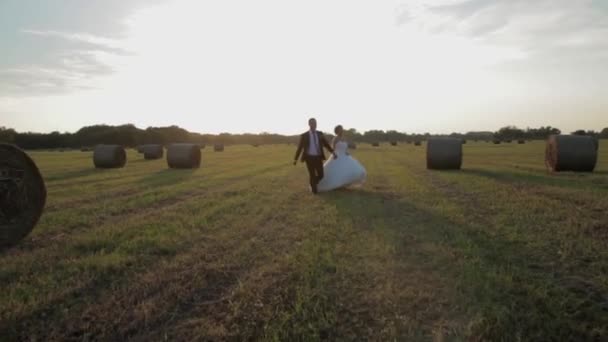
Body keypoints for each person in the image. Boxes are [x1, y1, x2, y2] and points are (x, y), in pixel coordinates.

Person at [317, 125, 366, 192]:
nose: (342, 130)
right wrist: (333, 154)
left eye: (342, 129)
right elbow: (332, 149)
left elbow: (347, 147)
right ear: (337, 131)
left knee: (356, 169)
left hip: (345, 156)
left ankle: (342, 184)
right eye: (340, 129)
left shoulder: (344, 138)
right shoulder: (335, 139)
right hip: (336, 157)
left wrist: (347, 152)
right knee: (336, 171)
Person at [293, 118, 337, 194]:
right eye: (313, 123)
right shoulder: (305, 135)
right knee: (312, 174)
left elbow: (326, 144)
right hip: (309, 157)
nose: (314, 125)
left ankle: (313, 183)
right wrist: (295, 159)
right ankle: (314, 190)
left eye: (315, 123)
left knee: (321, 175)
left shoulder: (320, 134)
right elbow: (300, 147)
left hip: (318, 157)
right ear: (309, 124)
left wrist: (333, 152)